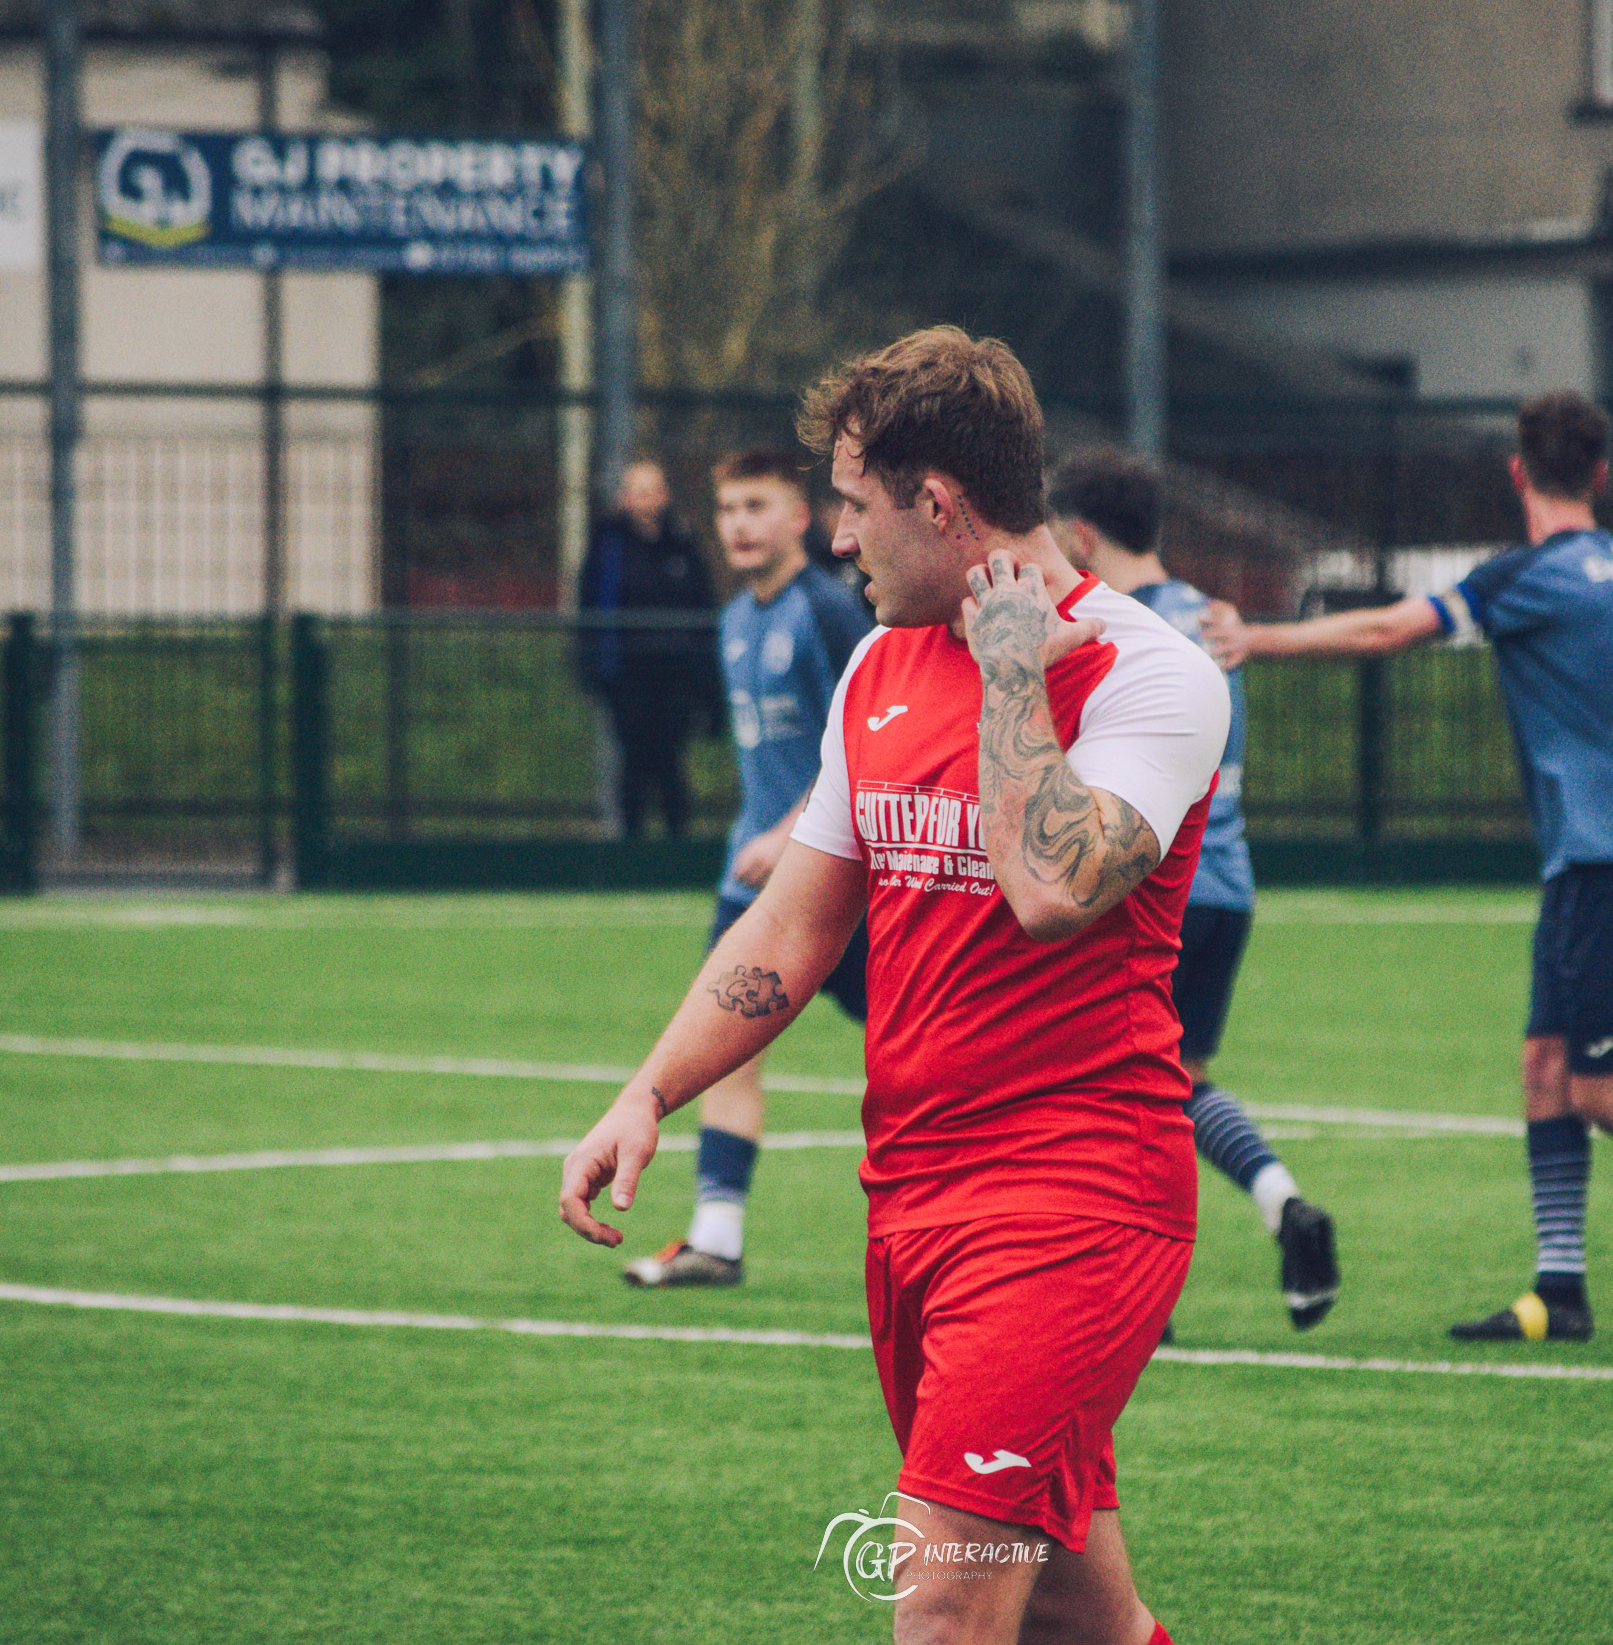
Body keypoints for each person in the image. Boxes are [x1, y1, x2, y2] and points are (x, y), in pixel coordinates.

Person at [560, 326, 1224, 1645]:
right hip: (911, 1196)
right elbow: (793, 925)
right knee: (1079, 1616)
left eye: (855, 505)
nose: (839, 537)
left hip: (1073, 1200)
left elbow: (1052, 888)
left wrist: (1013, 671)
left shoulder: (1153, 673)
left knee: (942, 1606)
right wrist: (649, 1090)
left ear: (938, 503)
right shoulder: (877, 660)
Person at [1202, 391, 1613, 1344]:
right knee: (1546, 1065)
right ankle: (1559, 1290)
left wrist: (1257, 638)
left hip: (1603, 860)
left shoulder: (1527, 575)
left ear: (1518, 473)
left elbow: (1388, 632)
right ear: (1599, 475)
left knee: (1601, 1088)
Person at [1048, 446, 1340, 1330]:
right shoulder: (1214, 617)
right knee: (1178, 1081)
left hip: (1152, 886)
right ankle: (1282, 1201)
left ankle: (1134, 1284)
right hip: (1229, 884)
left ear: (1082, 535)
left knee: (1094, 1084)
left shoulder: (1111, 628)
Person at [623, 448, 874, 1288]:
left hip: (843, 884)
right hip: (755, 887)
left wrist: (795, 828)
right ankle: (716, 1237)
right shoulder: (734, 620)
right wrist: (760, 839)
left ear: (800, 516)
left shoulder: (829, 610)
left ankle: (1053, 1230)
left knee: (940, 1057)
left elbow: (871, 737)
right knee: (726, 1048)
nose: (739, 523)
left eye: (757, 505)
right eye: (728, 508)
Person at [577, 458, 718, 838]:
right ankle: (631, 844)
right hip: (628, 678)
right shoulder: (608, 547)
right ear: (625, 498)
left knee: (670, 760)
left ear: (665, 495)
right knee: (634, 762)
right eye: (638, 492)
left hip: (676, 677)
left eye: (652, 491)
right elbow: (591, 608)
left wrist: (704, 673)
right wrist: (595, 668)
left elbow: (702, 603)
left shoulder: (683, 543)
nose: (646, 500)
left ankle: (677, 843)